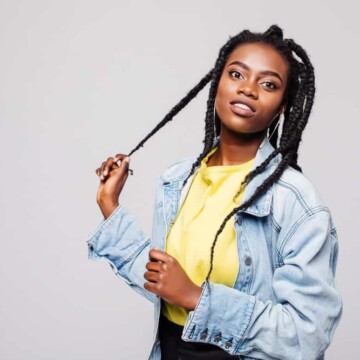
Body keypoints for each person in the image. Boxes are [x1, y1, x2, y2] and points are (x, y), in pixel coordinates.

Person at [87, 25, 342, 360]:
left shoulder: (295, 201)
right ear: (218, 83)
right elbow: (163, 283)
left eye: (268, 84)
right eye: (237, 74)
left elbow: (307, 335)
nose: (248, 89)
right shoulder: (178, 180)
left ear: (283, 106)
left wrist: (197, 297)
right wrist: (110, 205)